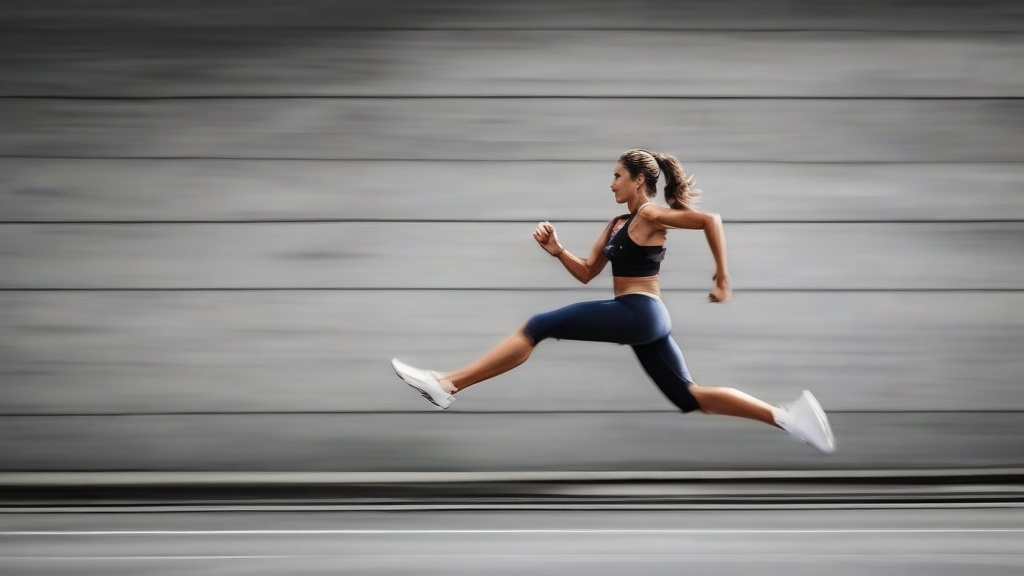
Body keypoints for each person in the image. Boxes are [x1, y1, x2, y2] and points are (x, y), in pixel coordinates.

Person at [391, 149, 835, 453]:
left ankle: (448, 384)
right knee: (688, 396)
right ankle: (788, 419)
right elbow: (588, 273)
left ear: (639, 180)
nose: (611, 184)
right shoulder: (619, 221)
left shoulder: (650, 213)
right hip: (643, 319)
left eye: (617, 177)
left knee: (538, 325)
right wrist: (558, 251)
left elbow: (710, 220)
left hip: (640, 312)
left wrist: (722, 275)